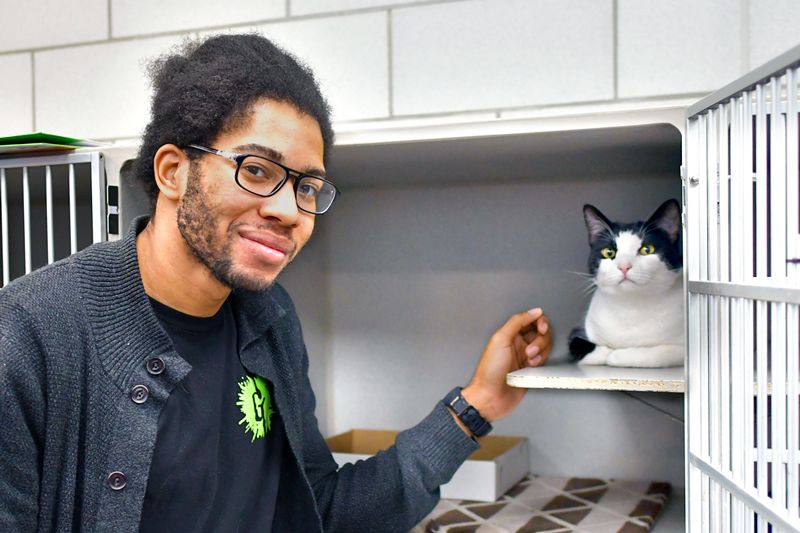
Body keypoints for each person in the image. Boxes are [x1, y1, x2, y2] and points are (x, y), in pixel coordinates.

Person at [0, 34, 552, 532]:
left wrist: (477, 403)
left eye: (308, 187)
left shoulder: (270, 320)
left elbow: (321, 510)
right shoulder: (28, 335)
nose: (291, 212)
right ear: (173, 171)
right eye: (257, 170)